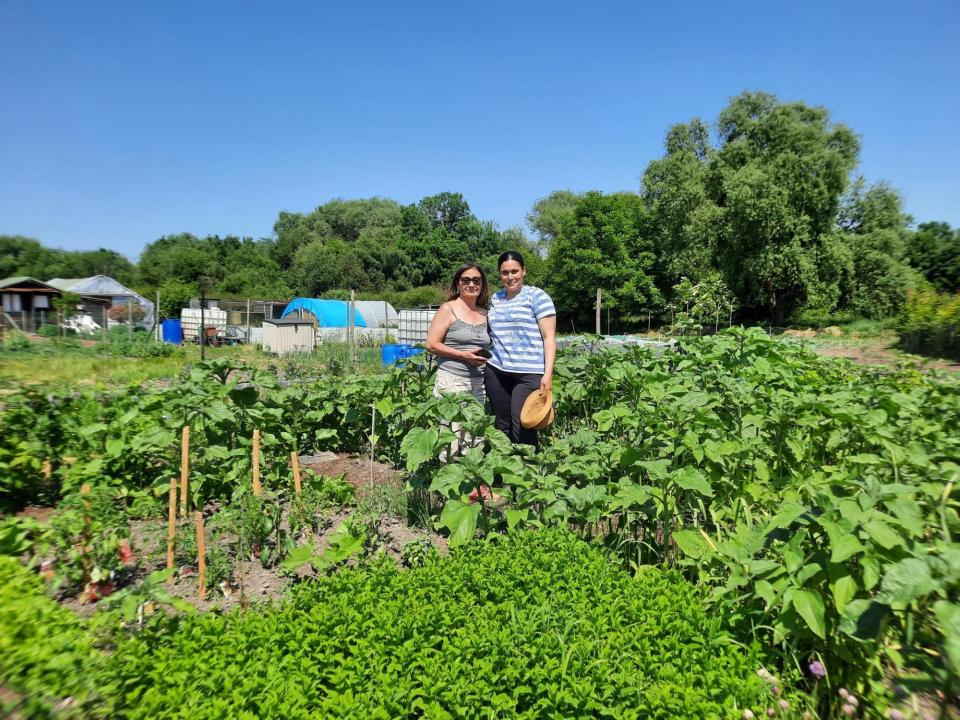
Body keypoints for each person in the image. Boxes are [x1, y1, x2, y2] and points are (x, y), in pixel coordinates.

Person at [485, 250, 556, 449]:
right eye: (505, 273)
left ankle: (528, 474)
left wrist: (547, 374)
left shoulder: (537, 297)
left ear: (523, 271)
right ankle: (504, 474)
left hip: (529, 372)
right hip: (497, 371)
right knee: (502, 424)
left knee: (523, 423)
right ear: (500, 274)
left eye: (514, 271)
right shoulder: (496, 299)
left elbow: (549, 337)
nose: (510, 277)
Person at [425, 263, 491, 461]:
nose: (471, 284)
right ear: (458, 284)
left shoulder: (485, 313)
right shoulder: (449, 309)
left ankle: (471, 486)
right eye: (466, 280)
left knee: (475, 435)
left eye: (476, 280)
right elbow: (431, 344)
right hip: (452, 381)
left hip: (478, 382)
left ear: (482, 284)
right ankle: (447, 487)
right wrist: (463, 356)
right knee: (451, 435)